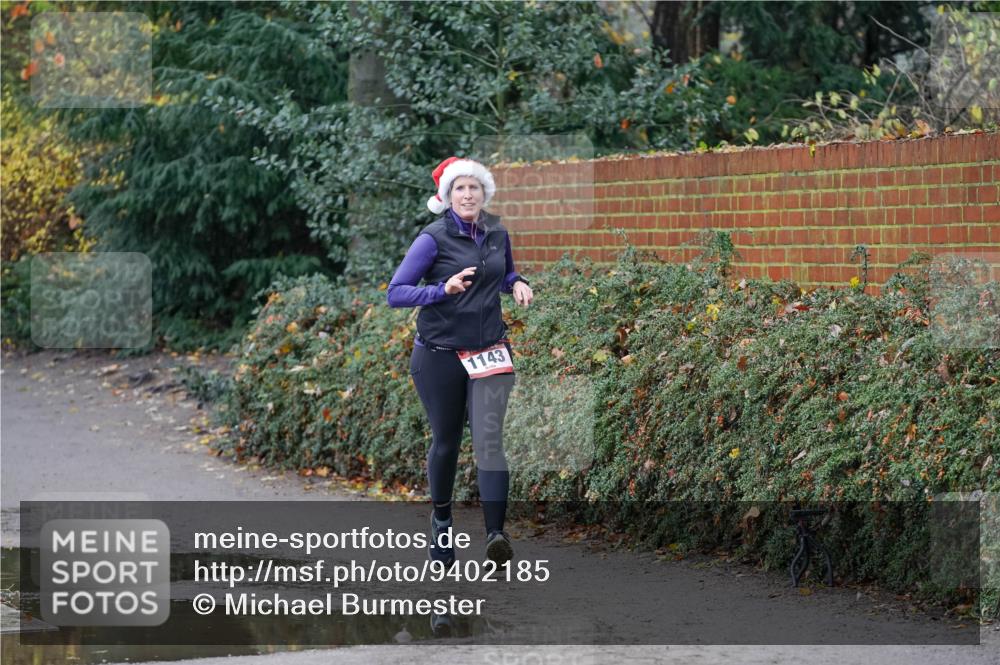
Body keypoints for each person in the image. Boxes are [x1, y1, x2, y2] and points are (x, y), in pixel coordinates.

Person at [386, 156, 533, 570]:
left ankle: (496, 537)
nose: (468, 195)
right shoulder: (432, 238)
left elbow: (503, 274)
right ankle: (442, 523)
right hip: (439, 355)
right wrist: (441, 290)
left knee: (490, 441)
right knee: (447, 441)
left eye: (474, 187)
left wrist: (518, 283)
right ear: (448, 196)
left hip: (489, 350)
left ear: (485, 193)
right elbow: (396, 292)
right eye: (460, 189)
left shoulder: (496, 232)